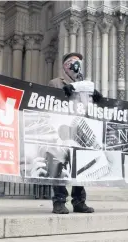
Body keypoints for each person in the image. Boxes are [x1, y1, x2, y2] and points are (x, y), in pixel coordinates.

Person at [47, 52, 95, 214]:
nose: (77, 66)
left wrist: (96, 97)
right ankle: (59, 201)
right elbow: (48, 103)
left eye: (79, 63)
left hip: (80, 131)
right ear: (67, 66)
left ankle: (79, 201)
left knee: (80, 166)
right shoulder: (55, 83)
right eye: (74, 62)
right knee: (60, 165)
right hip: (62, 131)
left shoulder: (86, 86)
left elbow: (92, 109)